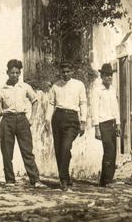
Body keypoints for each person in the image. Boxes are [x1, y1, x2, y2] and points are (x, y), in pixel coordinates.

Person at [0, 59, 44, 188]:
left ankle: (35, 180)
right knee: (7, 152)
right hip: (7, 121)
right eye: (12, 72)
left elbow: (35, 100)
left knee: (27, 151)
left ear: (20, 73)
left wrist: (32, 119)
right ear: (7, 72)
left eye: (17, 73)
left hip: (22, 120)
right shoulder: (1, 90)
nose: (15, 75)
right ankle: (10, 180)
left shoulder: (25, 87)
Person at [47, 62, 88, 191]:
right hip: (58, 118)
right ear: (60, 72)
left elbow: (83, 103)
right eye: (63, 71)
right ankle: (65, 177)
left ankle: (63, 179)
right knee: (59, 149)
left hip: (72, 119)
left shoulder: (79, 85)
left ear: (72, 71)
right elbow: (50, 104)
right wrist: (47, 121)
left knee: (65, 147)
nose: (65, 74)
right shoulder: (55, 86)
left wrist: (83, 121)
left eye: (68, 71)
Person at [91, 63, 120, 187]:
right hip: (103, 124)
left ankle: (106, 179)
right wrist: (96, 128)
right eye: (106, 75)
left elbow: (115, 108)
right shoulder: (97, 90)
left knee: (113, 152)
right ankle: (107, 180)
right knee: (109, 151)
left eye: (110, 75)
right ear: (101, 76)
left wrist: (118, 124)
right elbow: (95, 110)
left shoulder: (113, 89)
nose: (109, 77)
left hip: (112, 123)